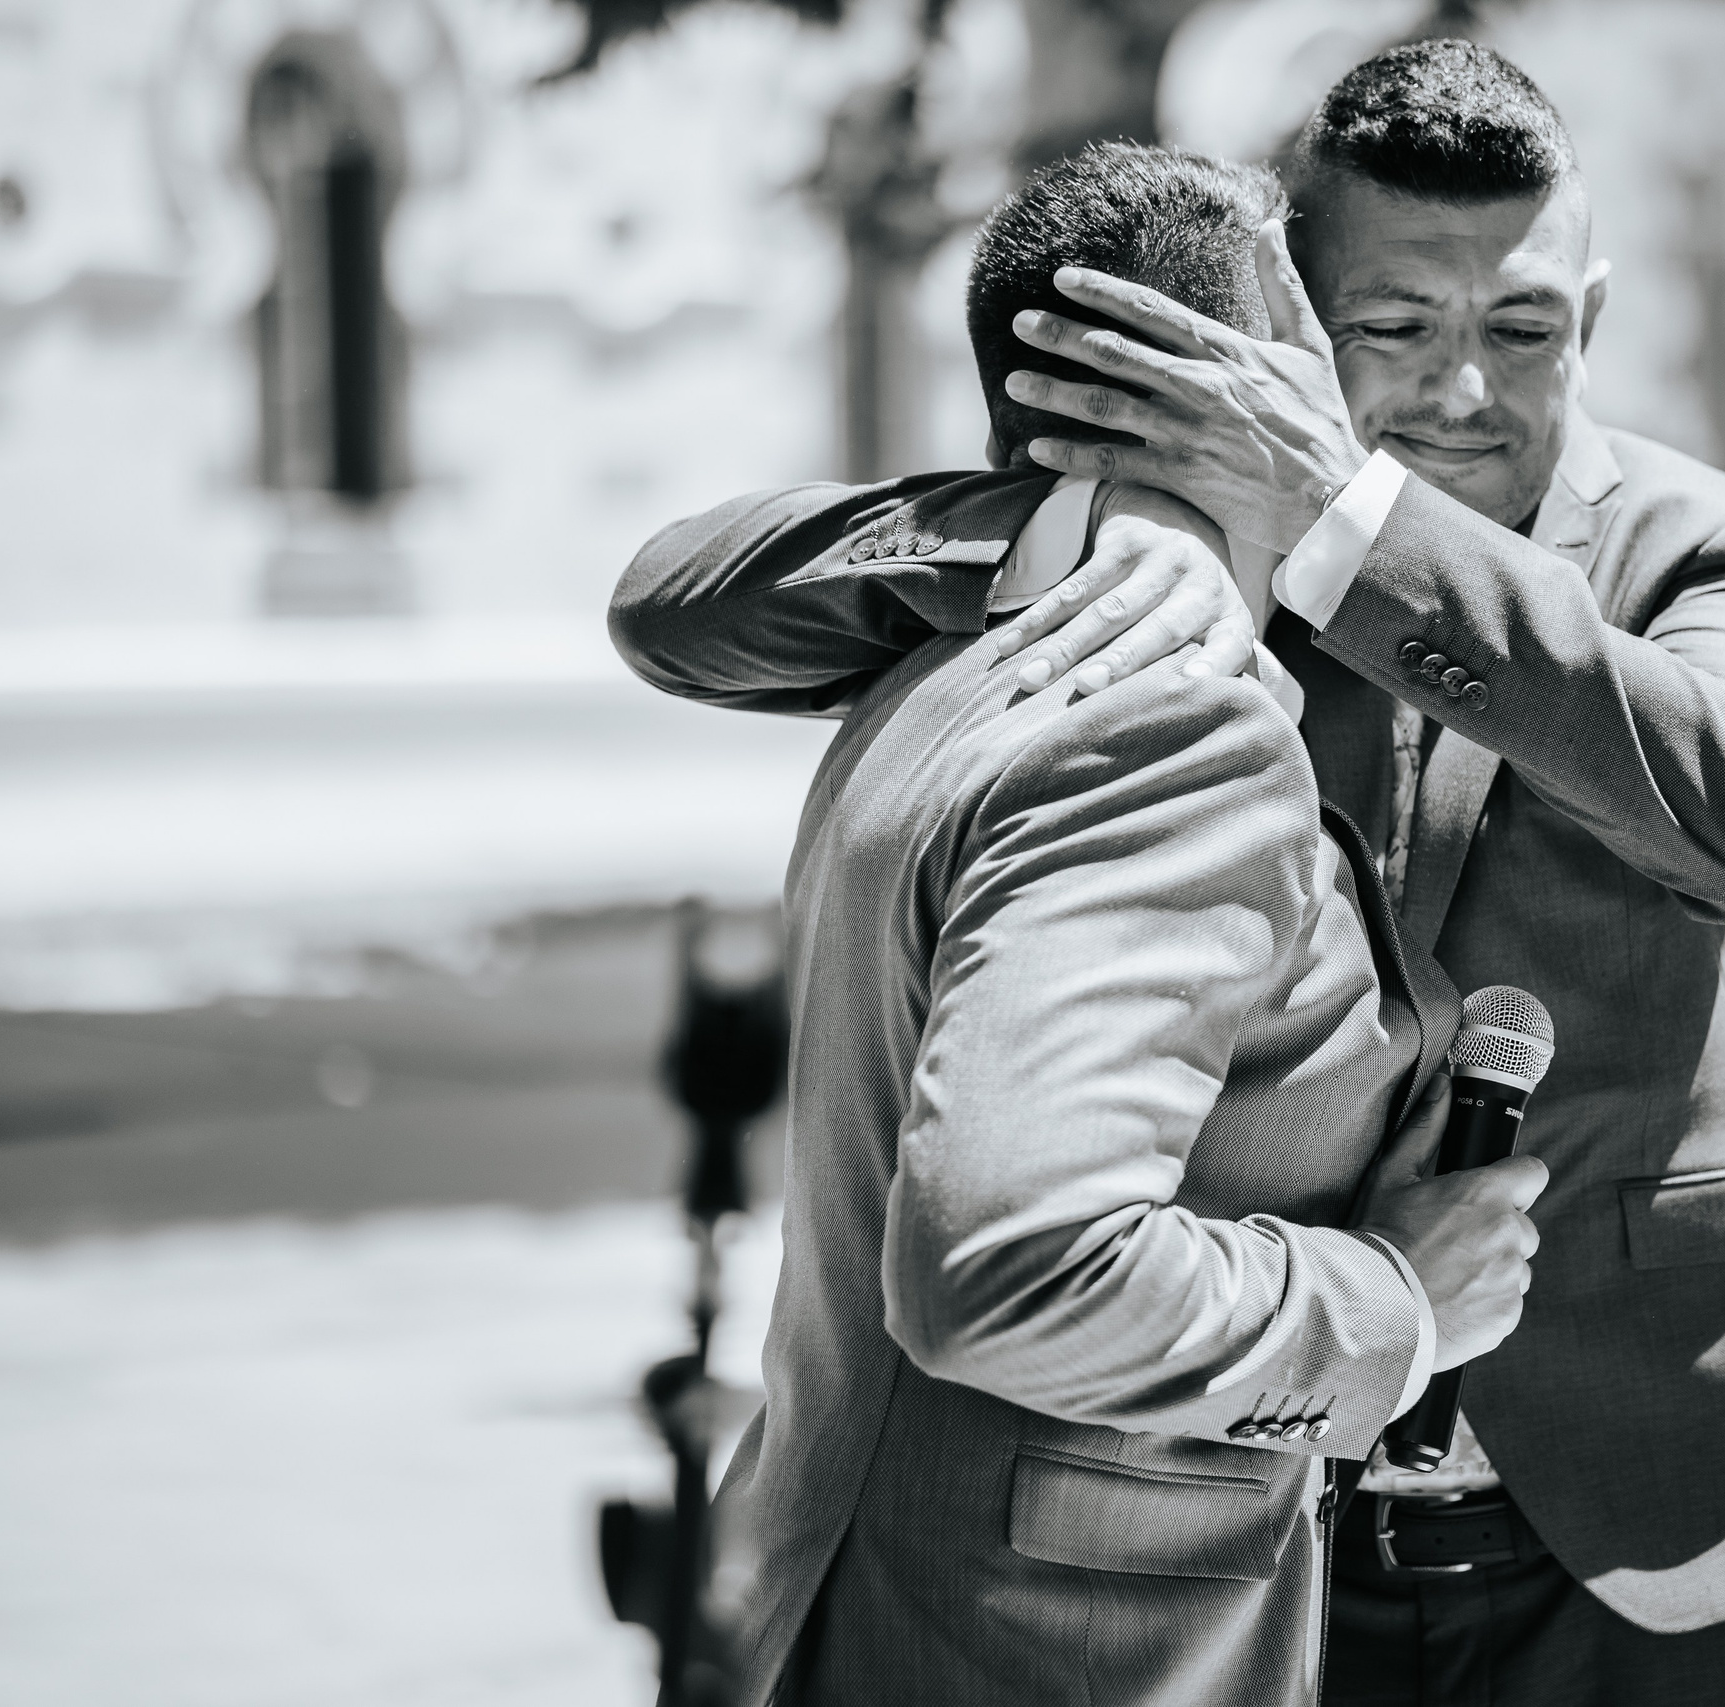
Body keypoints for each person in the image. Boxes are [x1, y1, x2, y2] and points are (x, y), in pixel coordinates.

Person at [686, 40, 1725, 1707]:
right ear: (1273, 339)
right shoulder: (1190, 543)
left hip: (1630, 1514)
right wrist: (1075, 518)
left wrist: (1357, 518)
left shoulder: (1695, 544)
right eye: (1395, 330)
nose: (1465, 393)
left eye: (1525, 327)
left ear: (1595, 313)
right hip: (1247, 1506)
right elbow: (677, 608)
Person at [607, 142, 1549, 1707]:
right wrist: (1394, 1309)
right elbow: (1008, 1265)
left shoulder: (941, 672)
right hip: (1036, 1657)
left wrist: (1087, 510)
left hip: (841, 1601)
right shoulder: (1170, 722)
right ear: (1221, 386)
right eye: (1322, 351)